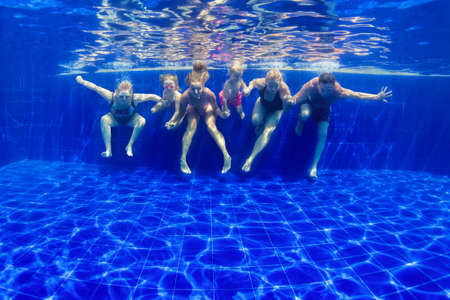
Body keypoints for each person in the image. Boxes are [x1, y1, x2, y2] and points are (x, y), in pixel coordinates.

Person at [292, 73, 392, 179]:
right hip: (308, 104)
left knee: (323, 134)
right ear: (318, 85)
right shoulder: (310, 86)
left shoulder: (338, 91)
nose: (326, 93)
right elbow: (295, 99)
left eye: (329, 90)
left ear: (333, 86)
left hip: (324, 109)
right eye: (323, 90)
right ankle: (301, 120)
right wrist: (288, 101)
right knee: (305, 115)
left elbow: (357, 95)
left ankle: (314, 166)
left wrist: (376, 97)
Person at [165, 64, 231, 174]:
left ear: (203, 86)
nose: (196, 92)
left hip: (207, 108)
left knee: (212, 127)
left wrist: (223, 115)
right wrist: (173, 122)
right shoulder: (185, 96)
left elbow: (215, 109)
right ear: (188, 87)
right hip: (193, 109)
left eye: (198, 89)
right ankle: (183, 159)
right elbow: (181, 113)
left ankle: (226, 156)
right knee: (191, 128)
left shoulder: (209, 93)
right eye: (193, 89)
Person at [76, 75, 161, 157]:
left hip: (131, 119)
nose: (124, 99)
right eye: (121, 96)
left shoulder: (135, 98)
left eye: (127, 97)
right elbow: (96, 88)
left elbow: (151, 96)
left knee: (142, 120)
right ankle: (108, 150)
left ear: (131, 95)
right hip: (114, 119)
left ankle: (129, 145)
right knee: (104, 119)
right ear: (116, 93)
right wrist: (82, 81)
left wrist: (162, 101)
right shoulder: (110, 96)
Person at [241, 69, 292, 172]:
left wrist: (288, 103)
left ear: (280, 83)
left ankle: (251, 158)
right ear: (266, 82)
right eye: (270, 86)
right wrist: (248, 89)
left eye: (276, 86)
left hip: (277, 109)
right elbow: (252, 82)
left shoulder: (284, 89)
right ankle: (261, 123)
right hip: (262, 104)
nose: (273, 89)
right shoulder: (261, 83)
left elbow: (287, 110)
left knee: (267, 132)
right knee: (255, 121)